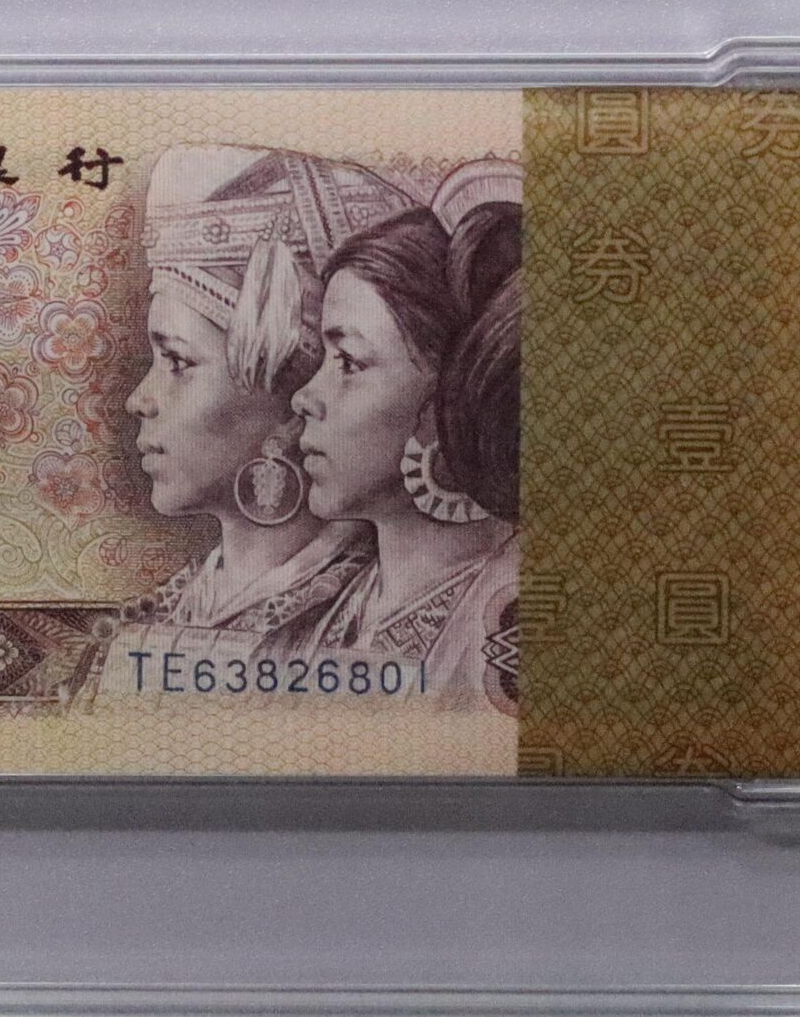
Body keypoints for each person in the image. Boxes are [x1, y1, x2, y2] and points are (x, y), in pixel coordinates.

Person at [116, 145, 420, 646]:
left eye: (178, 362)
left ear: (292, 400)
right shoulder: (164, 612)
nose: (139, 400)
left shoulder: (374, 623)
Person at [291, 157, 523, 712]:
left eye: (349, 361)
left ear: (452, 394)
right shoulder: (317, 611)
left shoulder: (511, 620)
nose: (304, 398)